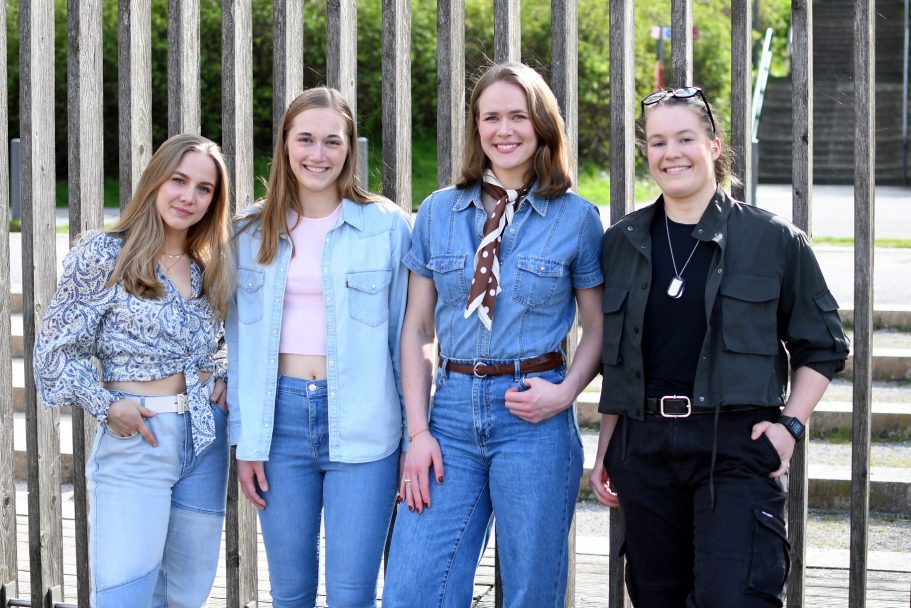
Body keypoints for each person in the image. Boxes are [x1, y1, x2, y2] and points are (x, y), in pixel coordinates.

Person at [590, 87, 850, 607]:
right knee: (656, 597)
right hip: (645, 447)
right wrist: (606, 452)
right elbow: (619, 362)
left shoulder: (773, 239)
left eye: (685, 138)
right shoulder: (621, 241)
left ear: (713, 146)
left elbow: (823, 346)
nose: (671, 153)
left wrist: (790, 427)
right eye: (658, 142)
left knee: (735, 597)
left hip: (733, 445)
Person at [382, 62, 604, 607]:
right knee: (414, 588)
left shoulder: (576, 219)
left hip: (534, 416)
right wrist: (418, 433)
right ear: (476, 126)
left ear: (542, 125)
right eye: (491, 117)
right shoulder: (437, 212)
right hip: (450, 417)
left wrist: (565, 393)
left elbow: (599, 327)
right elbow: (417, 328)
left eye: (518, 116)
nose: (504, 130)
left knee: (531, 592)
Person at [226, 87, 411, 607]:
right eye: (305, 139)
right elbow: (233, 341)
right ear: (285, 144)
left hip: (365, 422)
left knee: (352, 594)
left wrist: (411, 434)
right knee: (290, 593)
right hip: (278, 423)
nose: (318, 154)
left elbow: (408, 335)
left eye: (333, 141)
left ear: (350, 148)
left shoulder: (386, 226)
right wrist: (246, 438)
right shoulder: (247, 231)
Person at [34, 133, 234, 607]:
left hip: (205, 439)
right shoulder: (105, 254)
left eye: (204, 188)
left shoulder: (211, 263)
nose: (189, 196)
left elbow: (220, 340)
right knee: (125, 595)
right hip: (138, 437)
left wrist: (223, 373)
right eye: (178, 180)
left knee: (185, 596)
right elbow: (54, 353)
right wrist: (107, 405)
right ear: (155, 181)